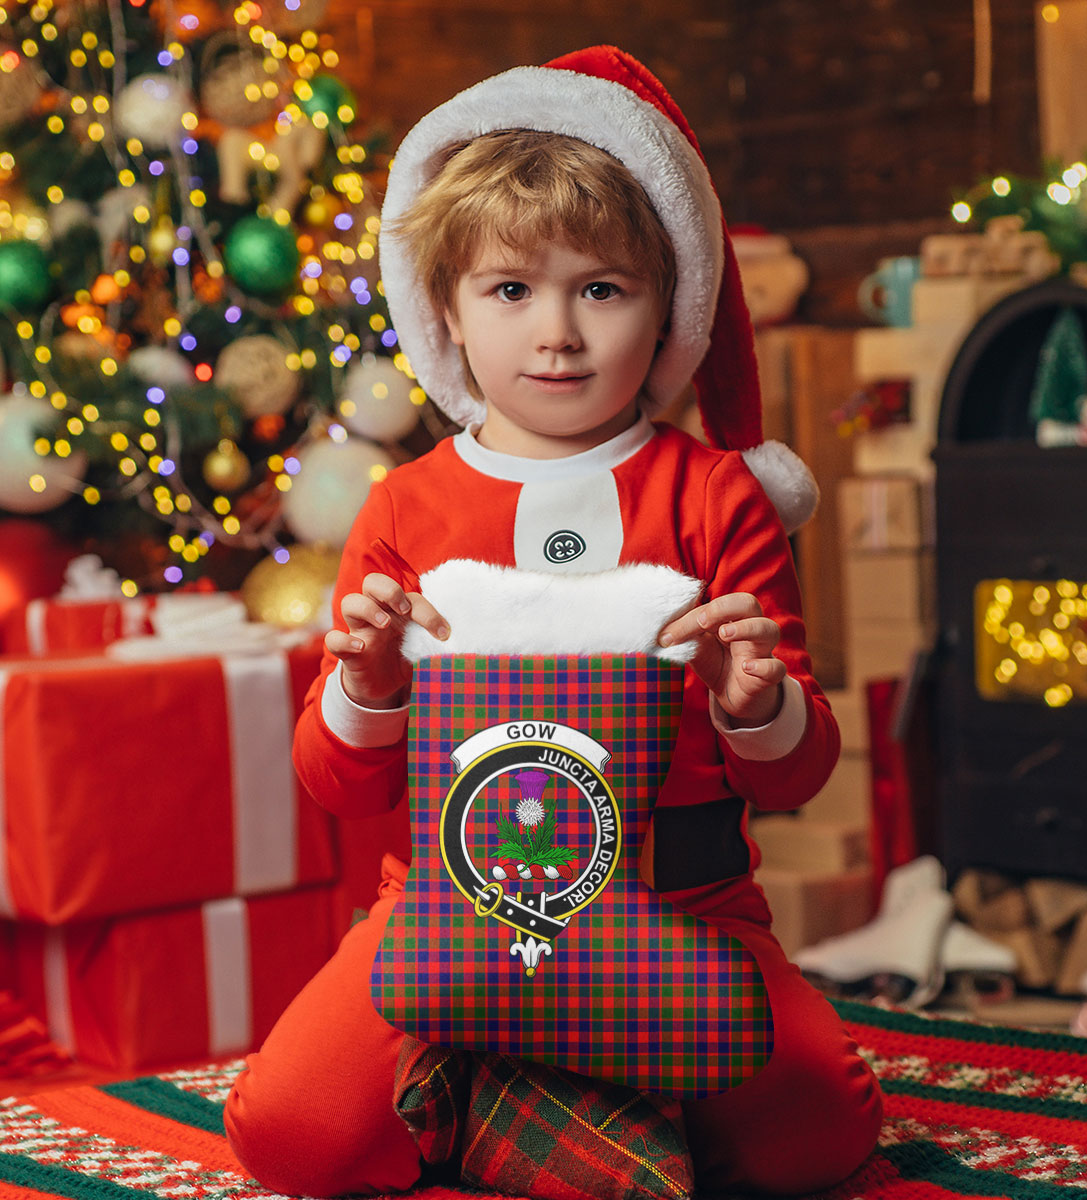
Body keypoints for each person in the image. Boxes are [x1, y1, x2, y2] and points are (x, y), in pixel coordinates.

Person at [224, 45, 882, 1197]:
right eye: (512, 289)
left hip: (683, 906)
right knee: (292, 1136)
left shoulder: (716, 496)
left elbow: (796, 780)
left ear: (665, 303)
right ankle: (545, 1086)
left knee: (818, 1137)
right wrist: (369, 686)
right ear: (447, 310)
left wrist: (760, 705)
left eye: (602, 288)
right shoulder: (407, 503)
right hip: (448, 905)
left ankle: (528, 1086)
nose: (558, 334)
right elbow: (339, 785)